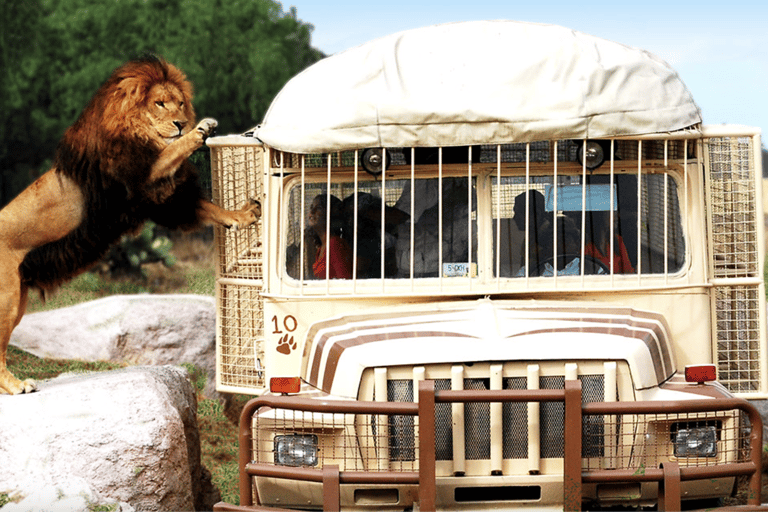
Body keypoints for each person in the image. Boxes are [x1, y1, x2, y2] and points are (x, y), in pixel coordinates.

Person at [307, 193, 353, 279]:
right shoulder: (321, 247)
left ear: (330, 214)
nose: (312, 212)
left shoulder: (335, 244)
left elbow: (345, 283)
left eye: (319, 208)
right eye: (311, 207)